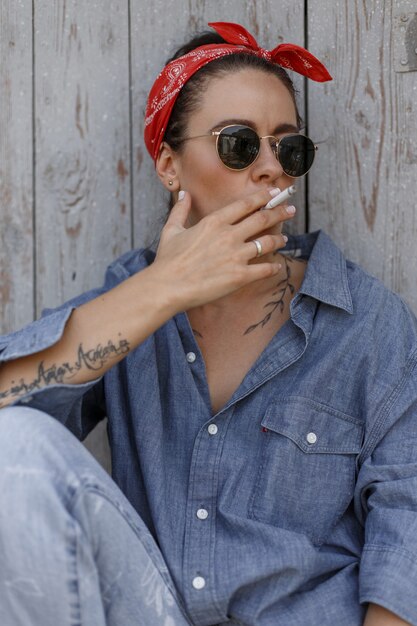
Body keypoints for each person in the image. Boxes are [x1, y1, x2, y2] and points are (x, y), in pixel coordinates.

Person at [0, 20, 416, 626]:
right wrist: (167, 287)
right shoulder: (132, 302)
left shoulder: (367, 321)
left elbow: (407, 527)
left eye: (288, 147)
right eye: (239, 143)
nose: (272, 168)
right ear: (170, 166)